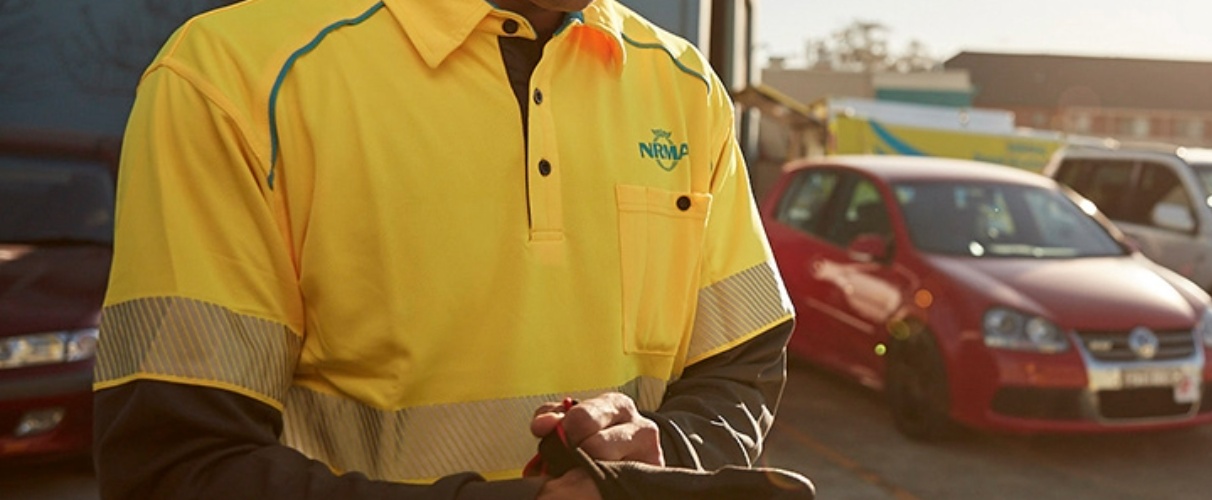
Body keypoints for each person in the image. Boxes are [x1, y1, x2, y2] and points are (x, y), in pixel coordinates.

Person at [95, 0, 800, 498]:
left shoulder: (684, 87)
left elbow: (742, 363)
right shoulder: (230, 76)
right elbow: (176, 468)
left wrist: (656, 461)